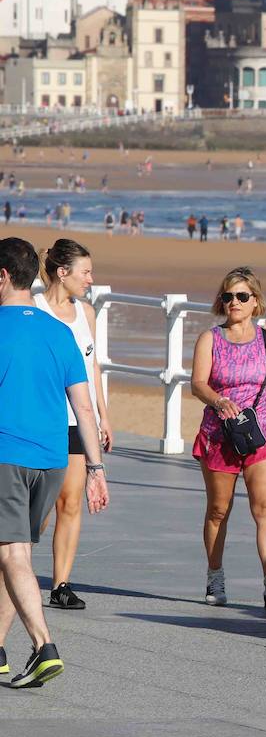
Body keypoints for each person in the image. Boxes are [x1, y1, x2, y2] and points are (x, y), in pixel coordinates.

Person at [0, 238, 109, 687]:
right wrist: (97, 470)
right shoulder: (59, 332)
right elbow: (84, 409)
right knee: (13, 555)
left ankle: (43, 644)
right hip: (53, 459)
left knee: (12, 552)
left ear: (3, 276)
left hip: (7, 455)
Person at [189, 267, 266, 611]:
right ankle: (215, 574)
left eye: (241, 296)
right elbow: (198, 383)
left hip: (261, 430)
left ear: (255, 301)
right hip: (220, 435)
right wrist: (218, 400)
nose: (233, 303)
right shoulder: (211, 339)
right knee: (219, 511)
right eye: (228, 296)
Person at [32, 240, 112, 611]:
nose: (91, 280)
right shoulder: (32, 307)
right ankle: (15, 572)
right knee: (39, 507)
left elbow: (91, 366)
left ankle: (60, 584)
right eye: (86, 272)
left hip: (76, 421)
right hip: (40, 419)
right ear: (62, 272)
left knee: (71, 503)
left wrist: (102, 415)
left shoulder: (86, 314)